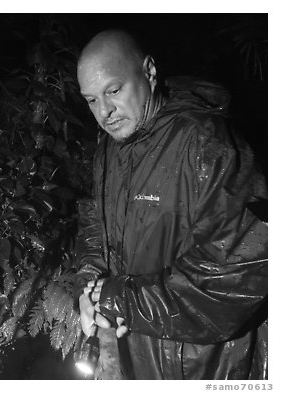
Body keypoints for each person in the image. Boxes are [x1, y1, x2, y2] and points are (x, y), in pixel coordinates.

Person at [73, 29, 268, 379]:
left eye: (113, 91)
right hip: (136, 354)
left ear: (148, 71)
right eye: (91, 100)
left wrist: (122, 301)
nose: (104, 111)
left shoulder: (207, 145)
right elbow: (96, 222)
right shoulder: (110, 146)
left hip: (201, 365)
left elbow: (240, 271)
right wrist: (89, 287)